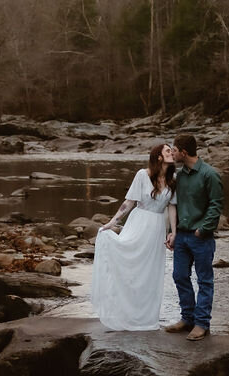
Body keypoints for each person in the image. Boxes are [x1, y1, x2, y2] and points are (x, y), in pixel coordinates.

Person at [91, 142, 176, 331]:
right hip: (138, 223)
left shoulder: (173, 179)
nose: (172, 153)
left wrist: (173, 233)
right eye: (168, 151)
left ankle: (145, 318)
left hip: (157, 229)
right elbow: (129, 202)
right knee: (131, 267)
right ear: (159, 157)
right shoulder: (142, 175)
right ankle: (124, 313)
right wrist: (112, 222)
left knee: (150, 273)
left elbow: (171, 207)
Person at [164, 132, 222, 341]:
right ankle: (187, 318)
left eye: (175, 150)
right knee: (179, 276)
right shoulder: (180, 176)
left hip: (201, 238)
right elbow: (174, 206)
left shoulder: (209, 174)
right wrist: (171, 233)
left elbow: (216, 206)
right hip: (181, 237)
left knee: (204, 280)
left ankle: (201, 324)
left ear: (184, 152)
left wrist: (203, 229)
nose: (173, 153)